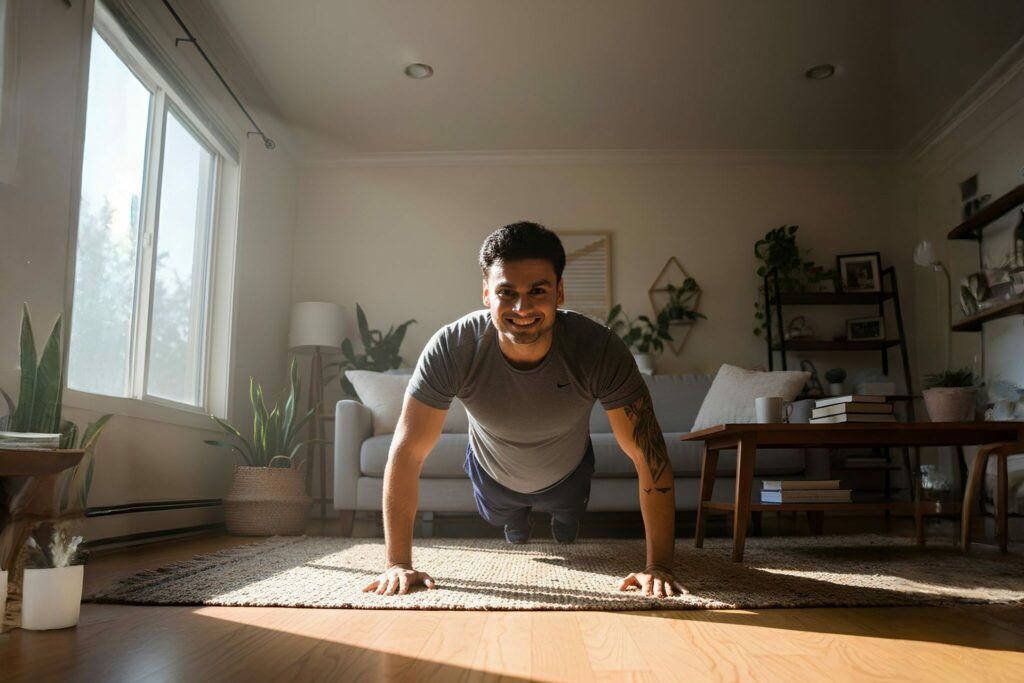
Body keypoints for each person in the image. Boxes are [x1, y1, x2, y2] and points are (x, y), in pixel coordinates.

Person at [362, 222, 686, 599]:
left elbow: (649, 455)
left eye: (538, 291)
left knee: (567, 518)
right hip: (491, 475)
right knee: (505, 518)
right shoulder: (453, 347)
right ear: (486, 294)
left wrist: (659, 566)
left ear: (559, 292)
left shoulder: (598, 349)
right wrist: (397, 562)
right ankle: (515, 519)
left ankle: (563, 522)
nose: (522, 307)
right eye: (506, 292)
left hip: (569, 475)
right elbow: (407, 454)